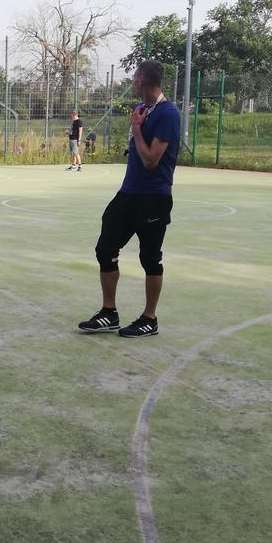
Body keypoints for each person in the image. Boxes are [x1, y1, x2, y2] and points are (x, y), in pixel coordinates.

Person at [79, 60, 180, 338]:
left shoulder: (168, 113)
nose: (131, 81)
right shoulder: (142, 110)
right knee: (105, 248)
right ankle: (109, 312)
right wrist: (137, 124)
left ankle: (150, 319)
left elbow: (151, 160)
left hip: (154, 197)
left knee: (150, 258)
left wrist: (136, 130)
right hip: (129, 193)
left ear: (143, 81)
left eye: (134, 77)